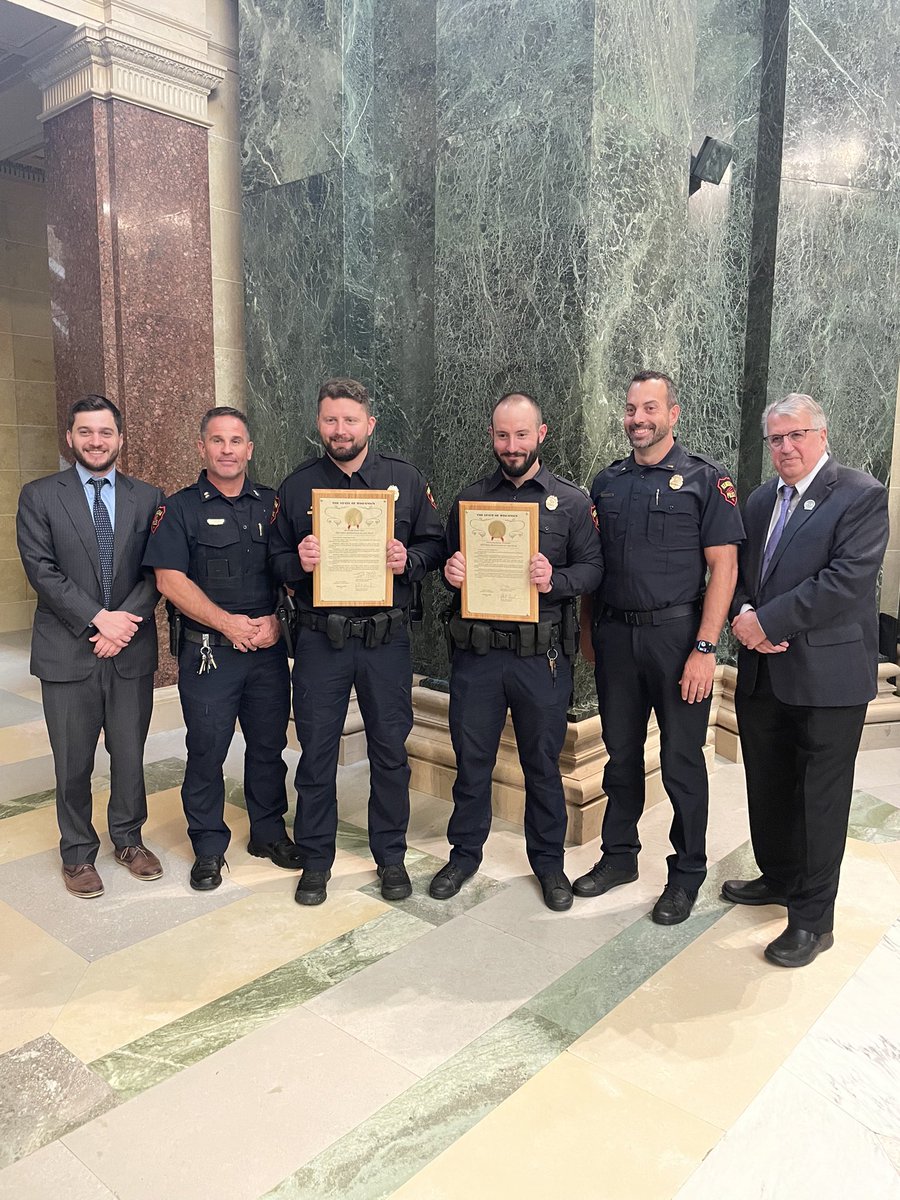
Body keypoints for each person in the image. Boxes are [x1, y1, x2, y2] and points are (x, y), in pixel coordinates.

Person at [576, 370, 744, 924]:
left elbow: (724, 567)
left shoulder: (704, 479)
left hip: (678, 640)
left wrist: (705, 649)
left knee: (679, 761)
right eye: (630, 408)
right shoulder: (606, 482)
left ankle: (687, 872)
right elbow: (592, 566)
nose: (638, 418)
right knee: (620, 757)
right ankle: (618, 857)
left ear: (673, 414)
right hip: (615, 637)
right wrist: (586, 631)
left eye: (650, 407)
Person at [726, 394, 889, 967]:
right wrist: (745, 618)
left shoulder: (860, 494)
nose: (786, 448)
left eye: (796, 435)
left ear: (821, 435)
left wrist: (766, 621)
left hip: (827, 677)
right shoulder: (760, 498)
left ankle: (813, 922)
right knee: (767, 783)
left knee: (819, 800)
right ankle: (779, 876)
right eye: (776, 439)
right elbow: (743, 572)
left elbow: (846, 581)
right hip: (764, 671)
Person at [269, 377, 444, 905]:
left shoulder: (405, 480)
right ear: (318, 424)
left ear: (370, 423)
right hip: (321, 641)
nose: (339, 430)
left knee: (390, 752)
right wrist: (297, 563)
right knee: (317, 753)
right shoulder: (297, 486)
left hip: (386, 641)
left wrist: (407, 561)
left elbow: (435, 543)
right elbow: (273, 559)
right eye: (330, 420)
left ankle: (390, 857)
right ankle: (316, 858)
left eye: (350, 420)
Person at [429, 392, 604, 911]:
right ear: (492, 437)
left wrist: (557, 579)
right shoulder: (470, 502)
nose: (512, 446)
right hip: (478, 658)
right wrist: (450, 573)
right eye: (503, 435)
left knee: (543, 766)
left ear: (541, 434)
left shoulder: (571, 503)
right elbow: (446, 563)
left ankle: (549, 865)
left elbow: (594, 569)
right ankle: (463, 855)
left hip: (541, 660)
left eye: (521, 435)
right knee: (473, 762)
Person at [16, 395, 164, 898]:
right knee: (72, 761)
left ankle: (128, 839)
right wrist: (99, 619)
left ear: (120, 439)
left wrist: (122, 626)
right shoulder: (39, 496)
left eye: (105, 433)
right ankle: (77, 853)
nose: (95, 441)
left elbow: (158, 571)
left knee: (129, 754)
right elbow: (42, 571)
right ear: (70, 437)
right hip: (67, 652)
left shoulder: (149, 497)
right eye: (85, 432)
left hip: (130, 651)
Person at [143, 407, 295, 891]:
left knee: (269, 748)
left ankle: (269, 833)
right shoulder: (180, 507)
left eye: (236, 441)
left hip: (267, 650)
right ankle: (208, 846)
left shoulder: (273, 505)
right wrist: (228, 624)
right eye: (217, 440)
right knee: (207, 749)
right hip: (210, 652)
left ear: (249, 449)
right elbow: (169, 579)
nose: (227, 449)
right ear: (202, 447)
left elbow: (291, 573)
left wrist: (278, 619)